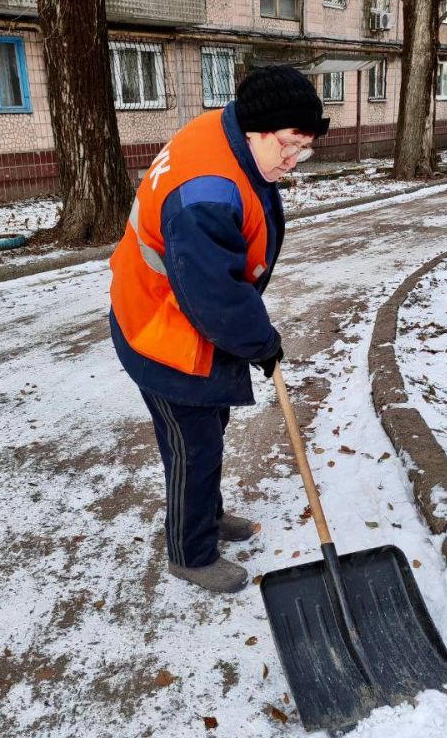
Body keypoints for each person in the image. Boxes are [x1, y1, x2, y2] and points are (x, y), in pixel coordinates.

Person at [109, 65, 329, 593]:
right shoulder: (206, 193)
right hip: (160, 334)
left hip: (179, 320)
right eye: (286, 145)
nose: (293, 160)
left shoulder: (227, 134)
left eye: (303, 148)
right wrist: (261, 344)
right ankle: (190, 551)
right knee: (194, 445)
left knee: (208, 433)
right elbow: (215, 295)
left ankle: (204, 514)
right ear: (256, 129)